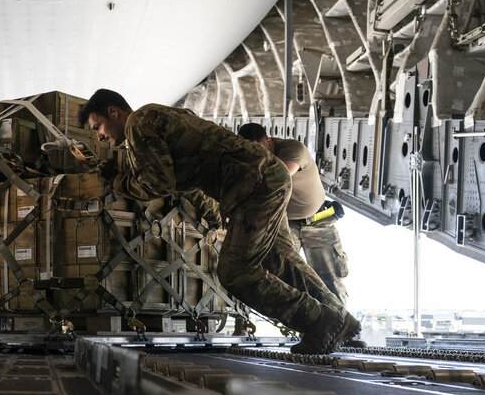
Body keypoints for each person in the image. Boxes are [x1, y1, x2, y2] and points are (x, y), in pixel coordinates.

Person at [79, 89, 359, 354]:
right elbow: (187, 169)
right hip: (267, 178)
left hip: (252, 187)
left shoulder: (138, 124)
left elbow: (158, 184)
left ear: (113, 112)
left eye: (97, 127)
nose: (100, 136)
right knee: (282, 260)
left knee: (236, 273)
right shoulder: (160, 116)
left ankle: (319, 321)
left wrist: (116, 179)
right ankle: (342, 321)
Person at [237, 123, 350, 305]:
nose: (255, 155)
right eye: (249, 151)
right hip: (288, 224)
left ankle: (343, 325)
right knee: (288, 277)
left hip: (317, 222)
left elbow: (279, 178)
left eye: (258, 149)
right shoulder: (248, 157)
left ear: (268, 141)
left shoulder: (292, 149)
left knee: (330, 281)